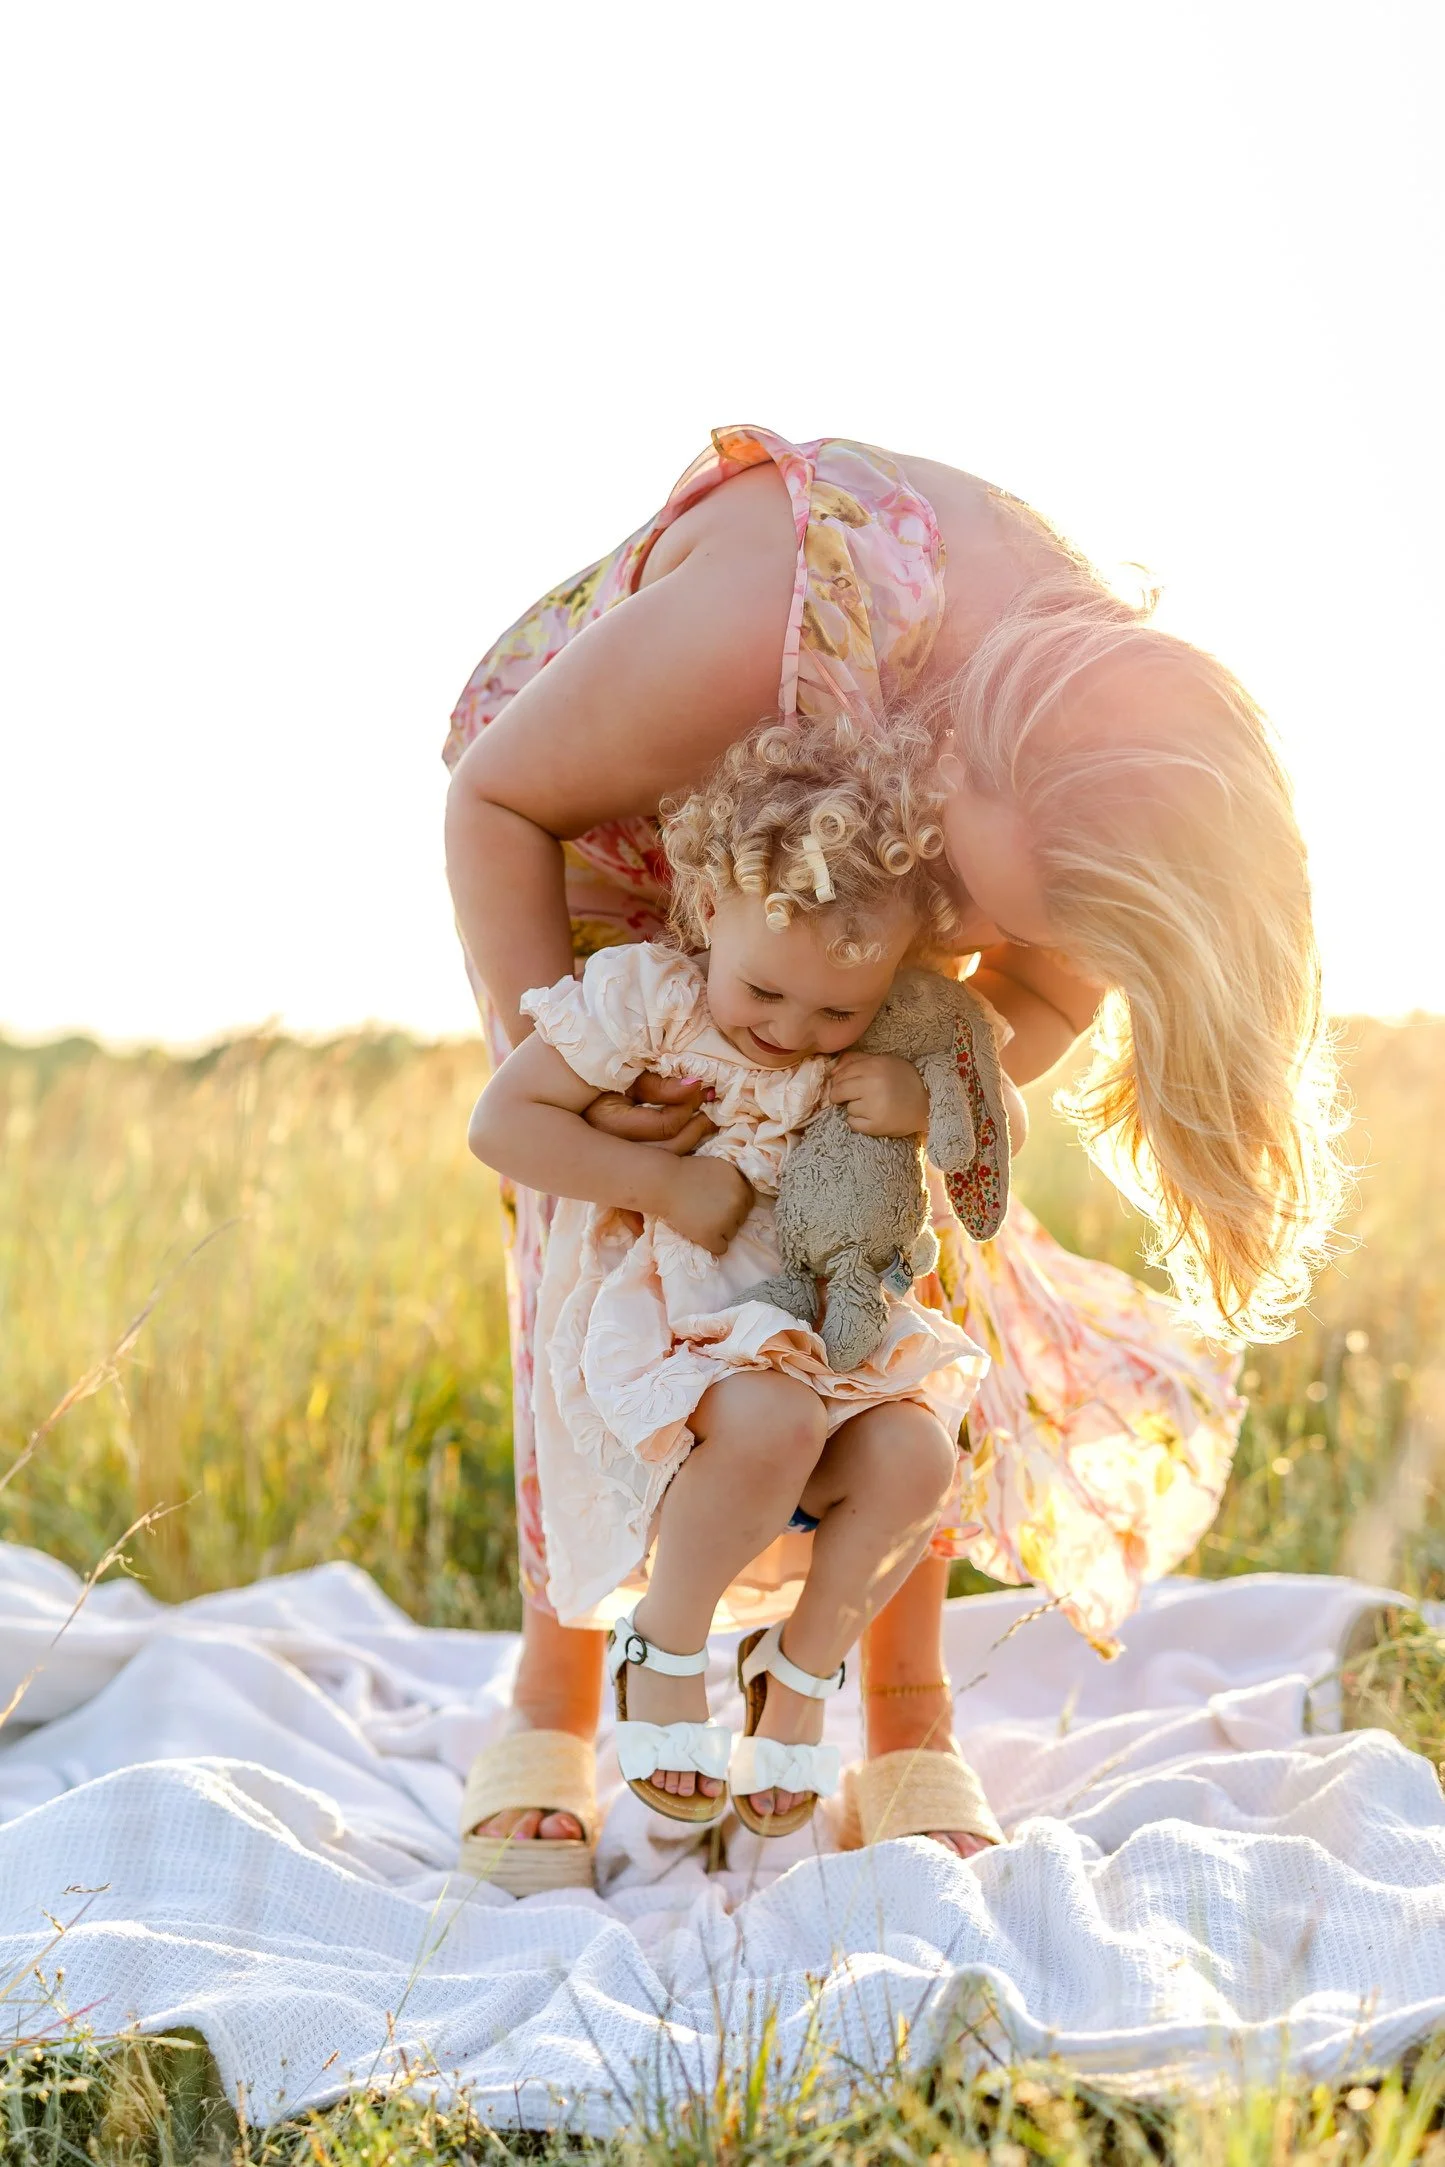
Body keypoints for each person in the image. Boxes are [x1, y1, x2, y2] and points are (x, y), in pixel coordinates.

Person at [443, 427, 1344, 1891]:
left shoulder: (1099, 756)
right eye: (1002, 901)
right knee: (592, 1259)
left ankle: (901, 1713)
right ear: (976, 775)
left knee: (906, 1284)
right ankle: (554, 1700)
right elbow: (496, 799)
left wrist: (920, 1097)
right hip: (602, 842)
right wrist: (565, 1091)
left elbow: (1034, 1001)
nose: (989, 936)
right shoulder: (764, 633)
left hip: (849, 959)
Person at [465, 716, 1019, 1876]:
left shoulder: (882, 1026)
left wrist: (918, 1108)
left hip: (825, 1315)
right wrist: (661, 1179)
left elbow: (995, 1123)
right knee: (771, 1417)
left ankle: (799, 1672)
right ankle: (659, 1647)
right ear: (708, 905)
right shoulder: (644, 1000)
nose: (790, 1032)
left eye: (834, 1012)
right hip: (681, 1304)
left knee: (918, 1458)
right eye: (766, 991)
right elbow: (501, 1124)